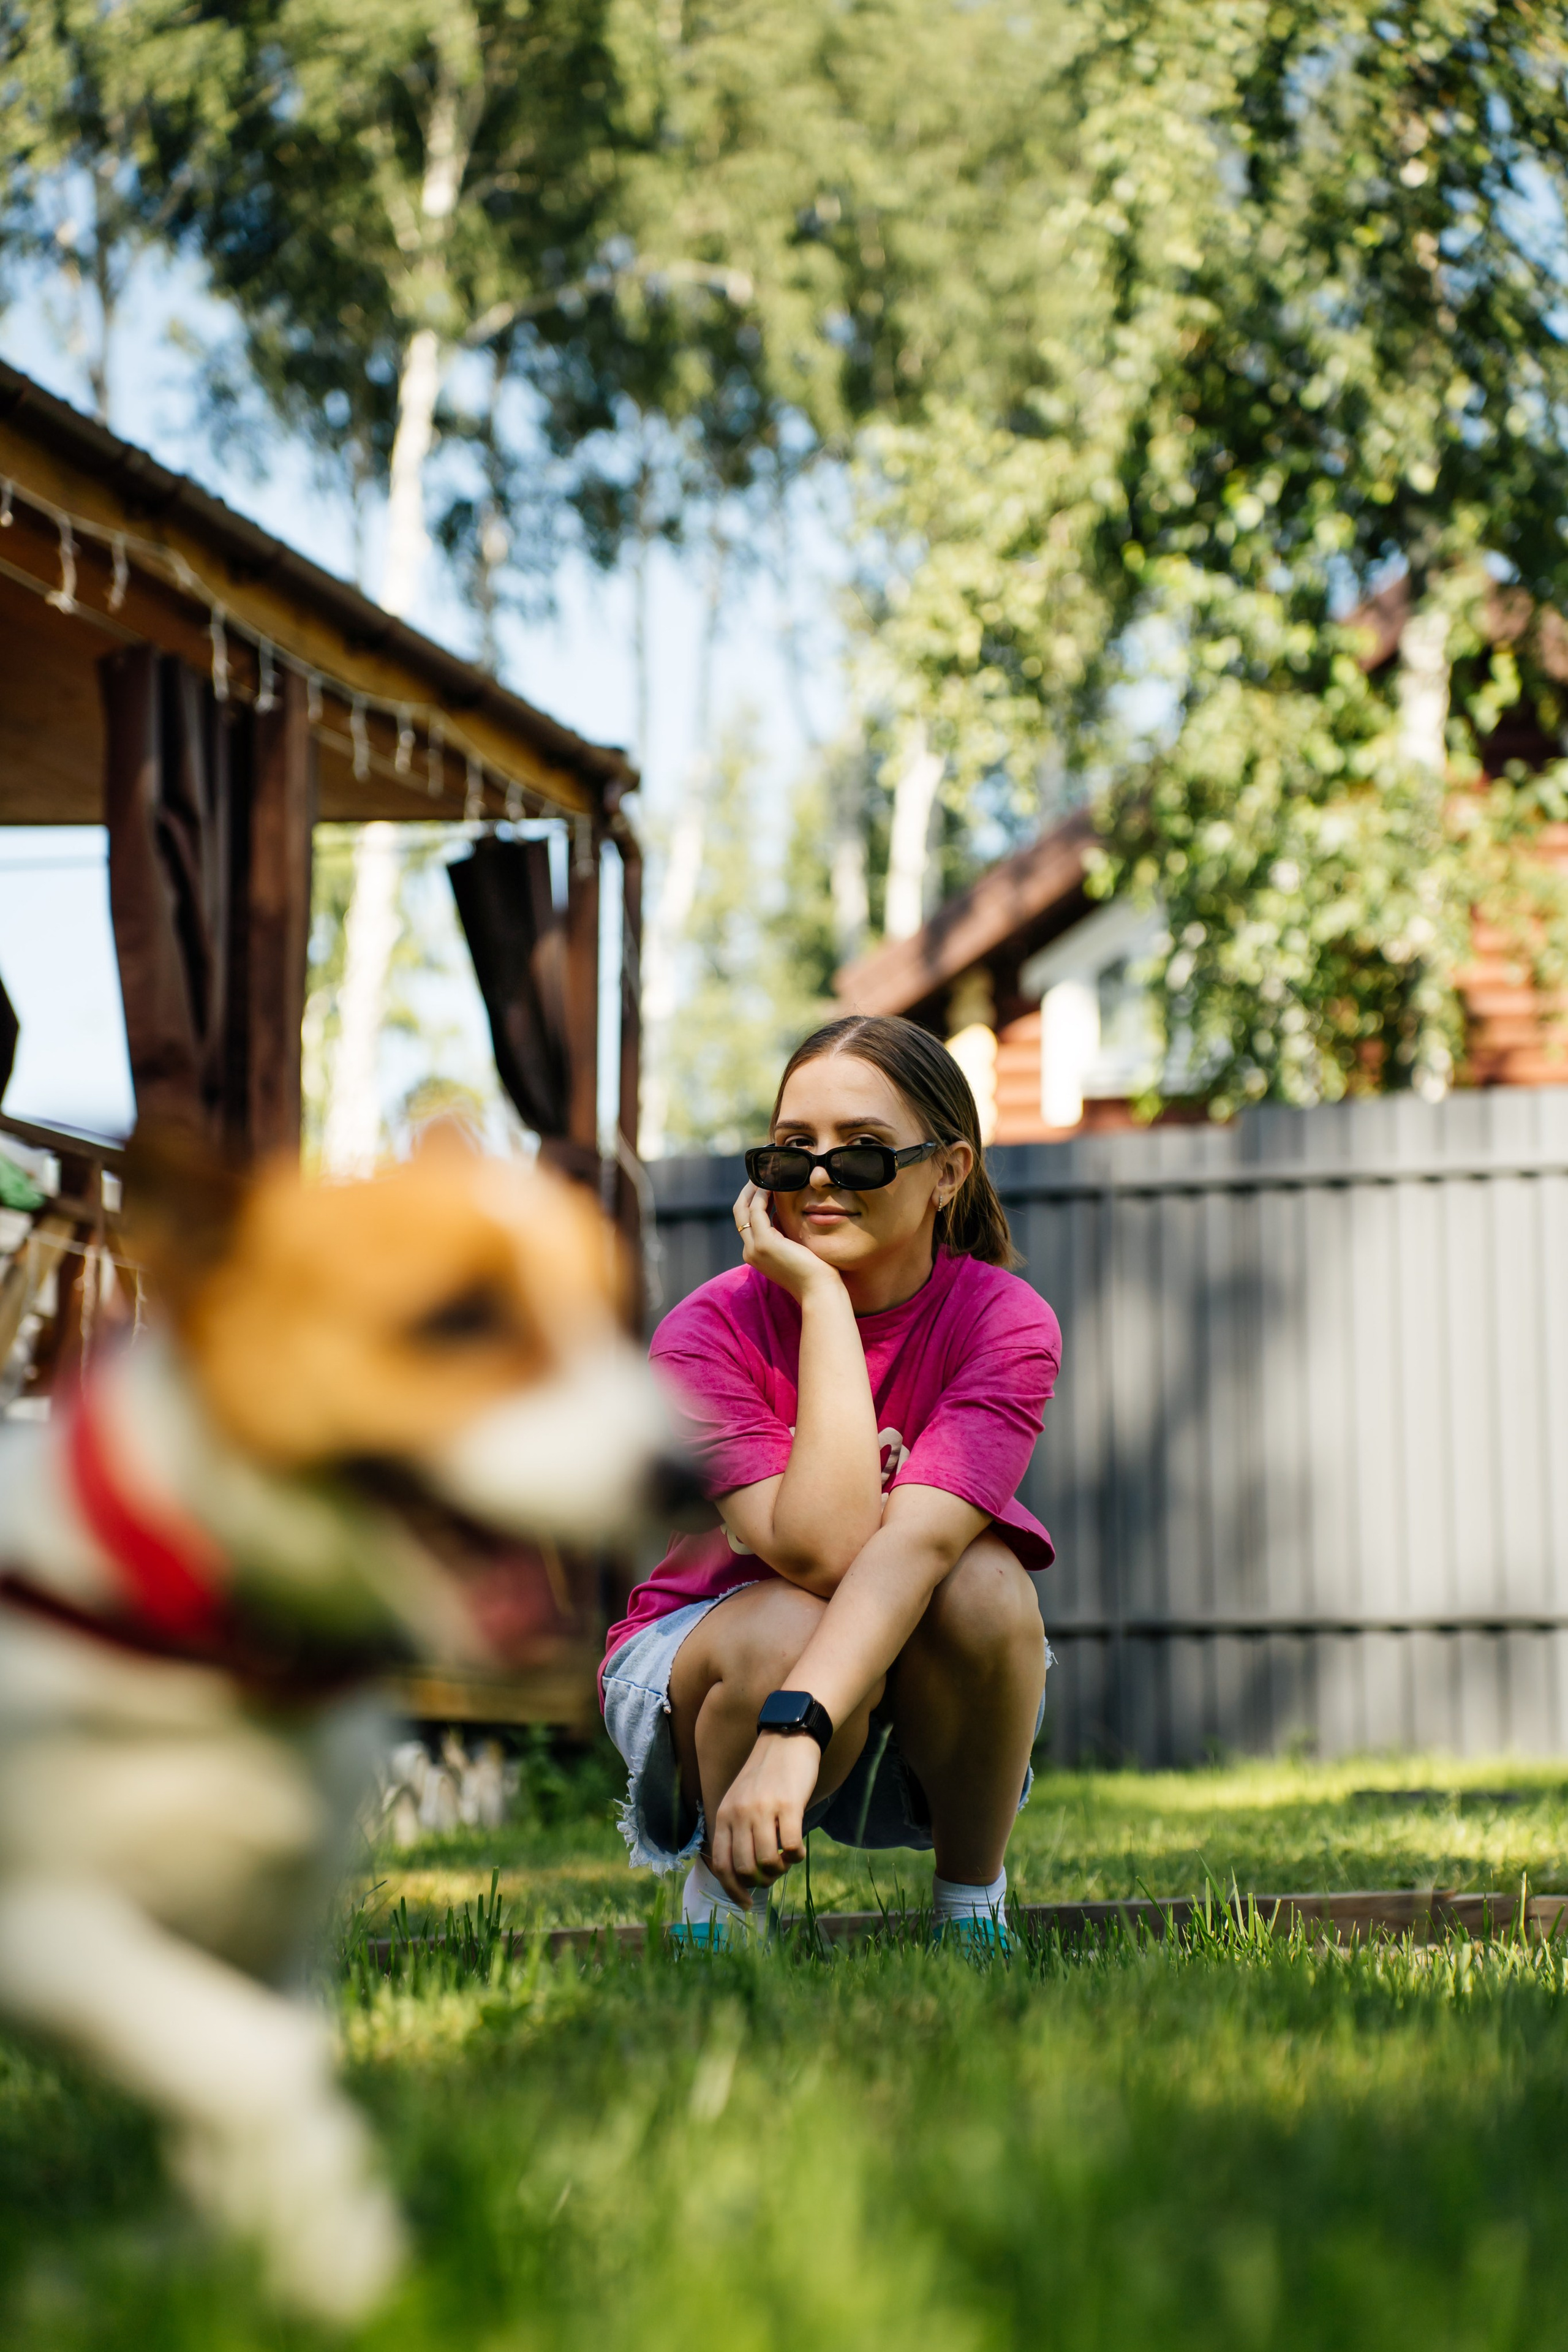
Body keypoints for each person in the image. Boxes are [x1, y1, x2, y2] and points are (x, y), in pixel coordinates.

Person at [600, 1013, 1061, 1948]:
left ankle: (972, 1911)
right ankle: (721, 1911)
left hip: (886, 1647)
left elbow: (911, 1550)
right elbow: (823, 1549)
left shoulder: (1003, 1323)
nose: (818, 1177)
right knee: (790, 1622)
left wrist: (795, 1728)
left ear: (948, 1172)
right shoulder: (705, 1334)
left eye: (861, 1151)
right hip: (709, 1654)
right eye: (791, 1149)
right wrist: (819, 1295)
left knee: (986, 1584)